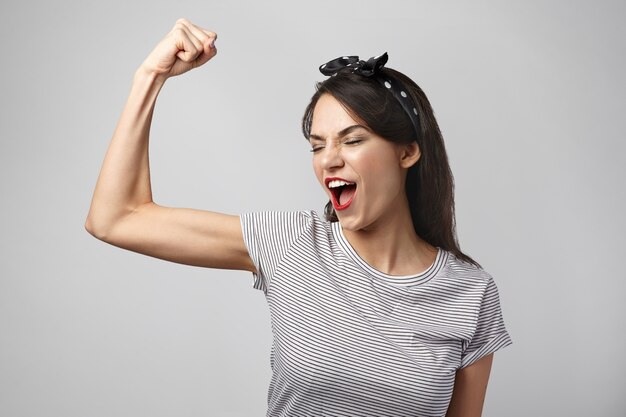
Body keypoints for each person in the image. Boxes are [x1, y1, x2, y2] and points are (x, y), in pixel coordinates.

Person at [85, 19, 512, 417]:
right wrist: (149, 78)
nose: (328, 160)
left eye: (353, 140)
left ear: (407, 151)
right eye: (316, 145)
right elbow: (116, 218)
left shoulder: (471, 294)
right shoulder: (292, 243)